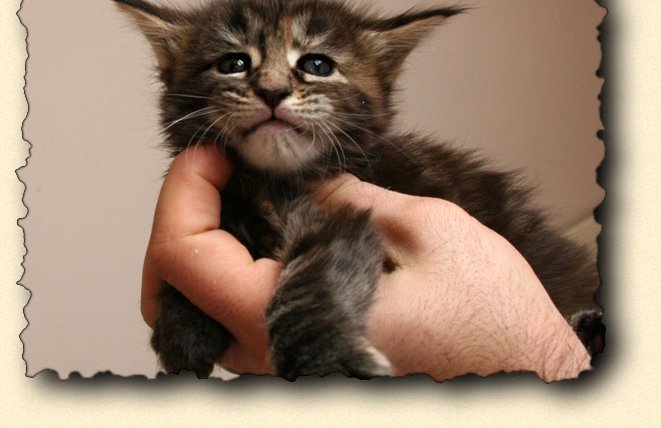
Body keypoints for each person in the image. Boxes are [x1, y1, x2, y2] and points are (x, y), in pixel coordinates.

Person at [141, 145, 591, 381]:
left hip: (566, 305)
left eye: (317, 66)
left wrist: (529, 356)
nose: (274, 84)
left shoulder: (356, 178)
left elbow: (340, 242)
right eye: (236, 63)